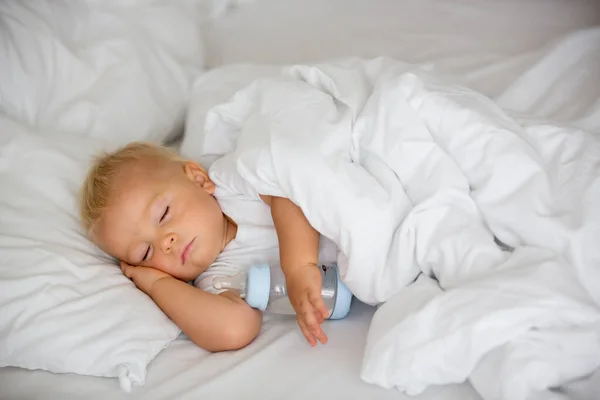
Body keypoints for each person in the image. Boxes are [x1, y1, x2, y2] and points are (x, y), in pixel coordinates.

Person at [79, 142, 336, 351]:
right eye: (145, 253)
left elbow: (288, 191)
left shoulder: (234, 182)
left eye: (163, 214)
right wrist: (157, 285)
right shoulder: (216, 281)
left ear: (198, 180)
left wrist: (299, 267)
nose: (165, 243)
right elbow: (234, 328)